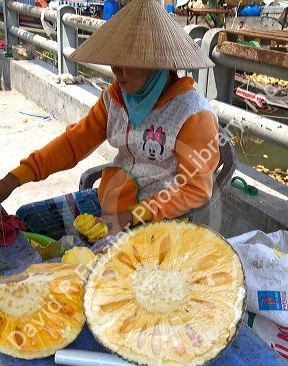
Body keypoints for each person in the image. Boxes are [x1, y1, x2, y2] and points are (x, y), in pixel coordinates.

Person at [0, 0, 220, 240]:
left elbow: (195, 190)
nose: (116, 70)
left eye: (126, 61)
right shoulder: (115, 99)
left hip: (155, 220)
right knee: (27, 218)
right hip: (110, 201)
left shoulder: (193, 113)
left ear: (156, 63)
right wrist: (16, 178)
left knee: (85, 270)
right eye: (114, 60)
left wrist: (134, 214)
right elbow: (73, 144)